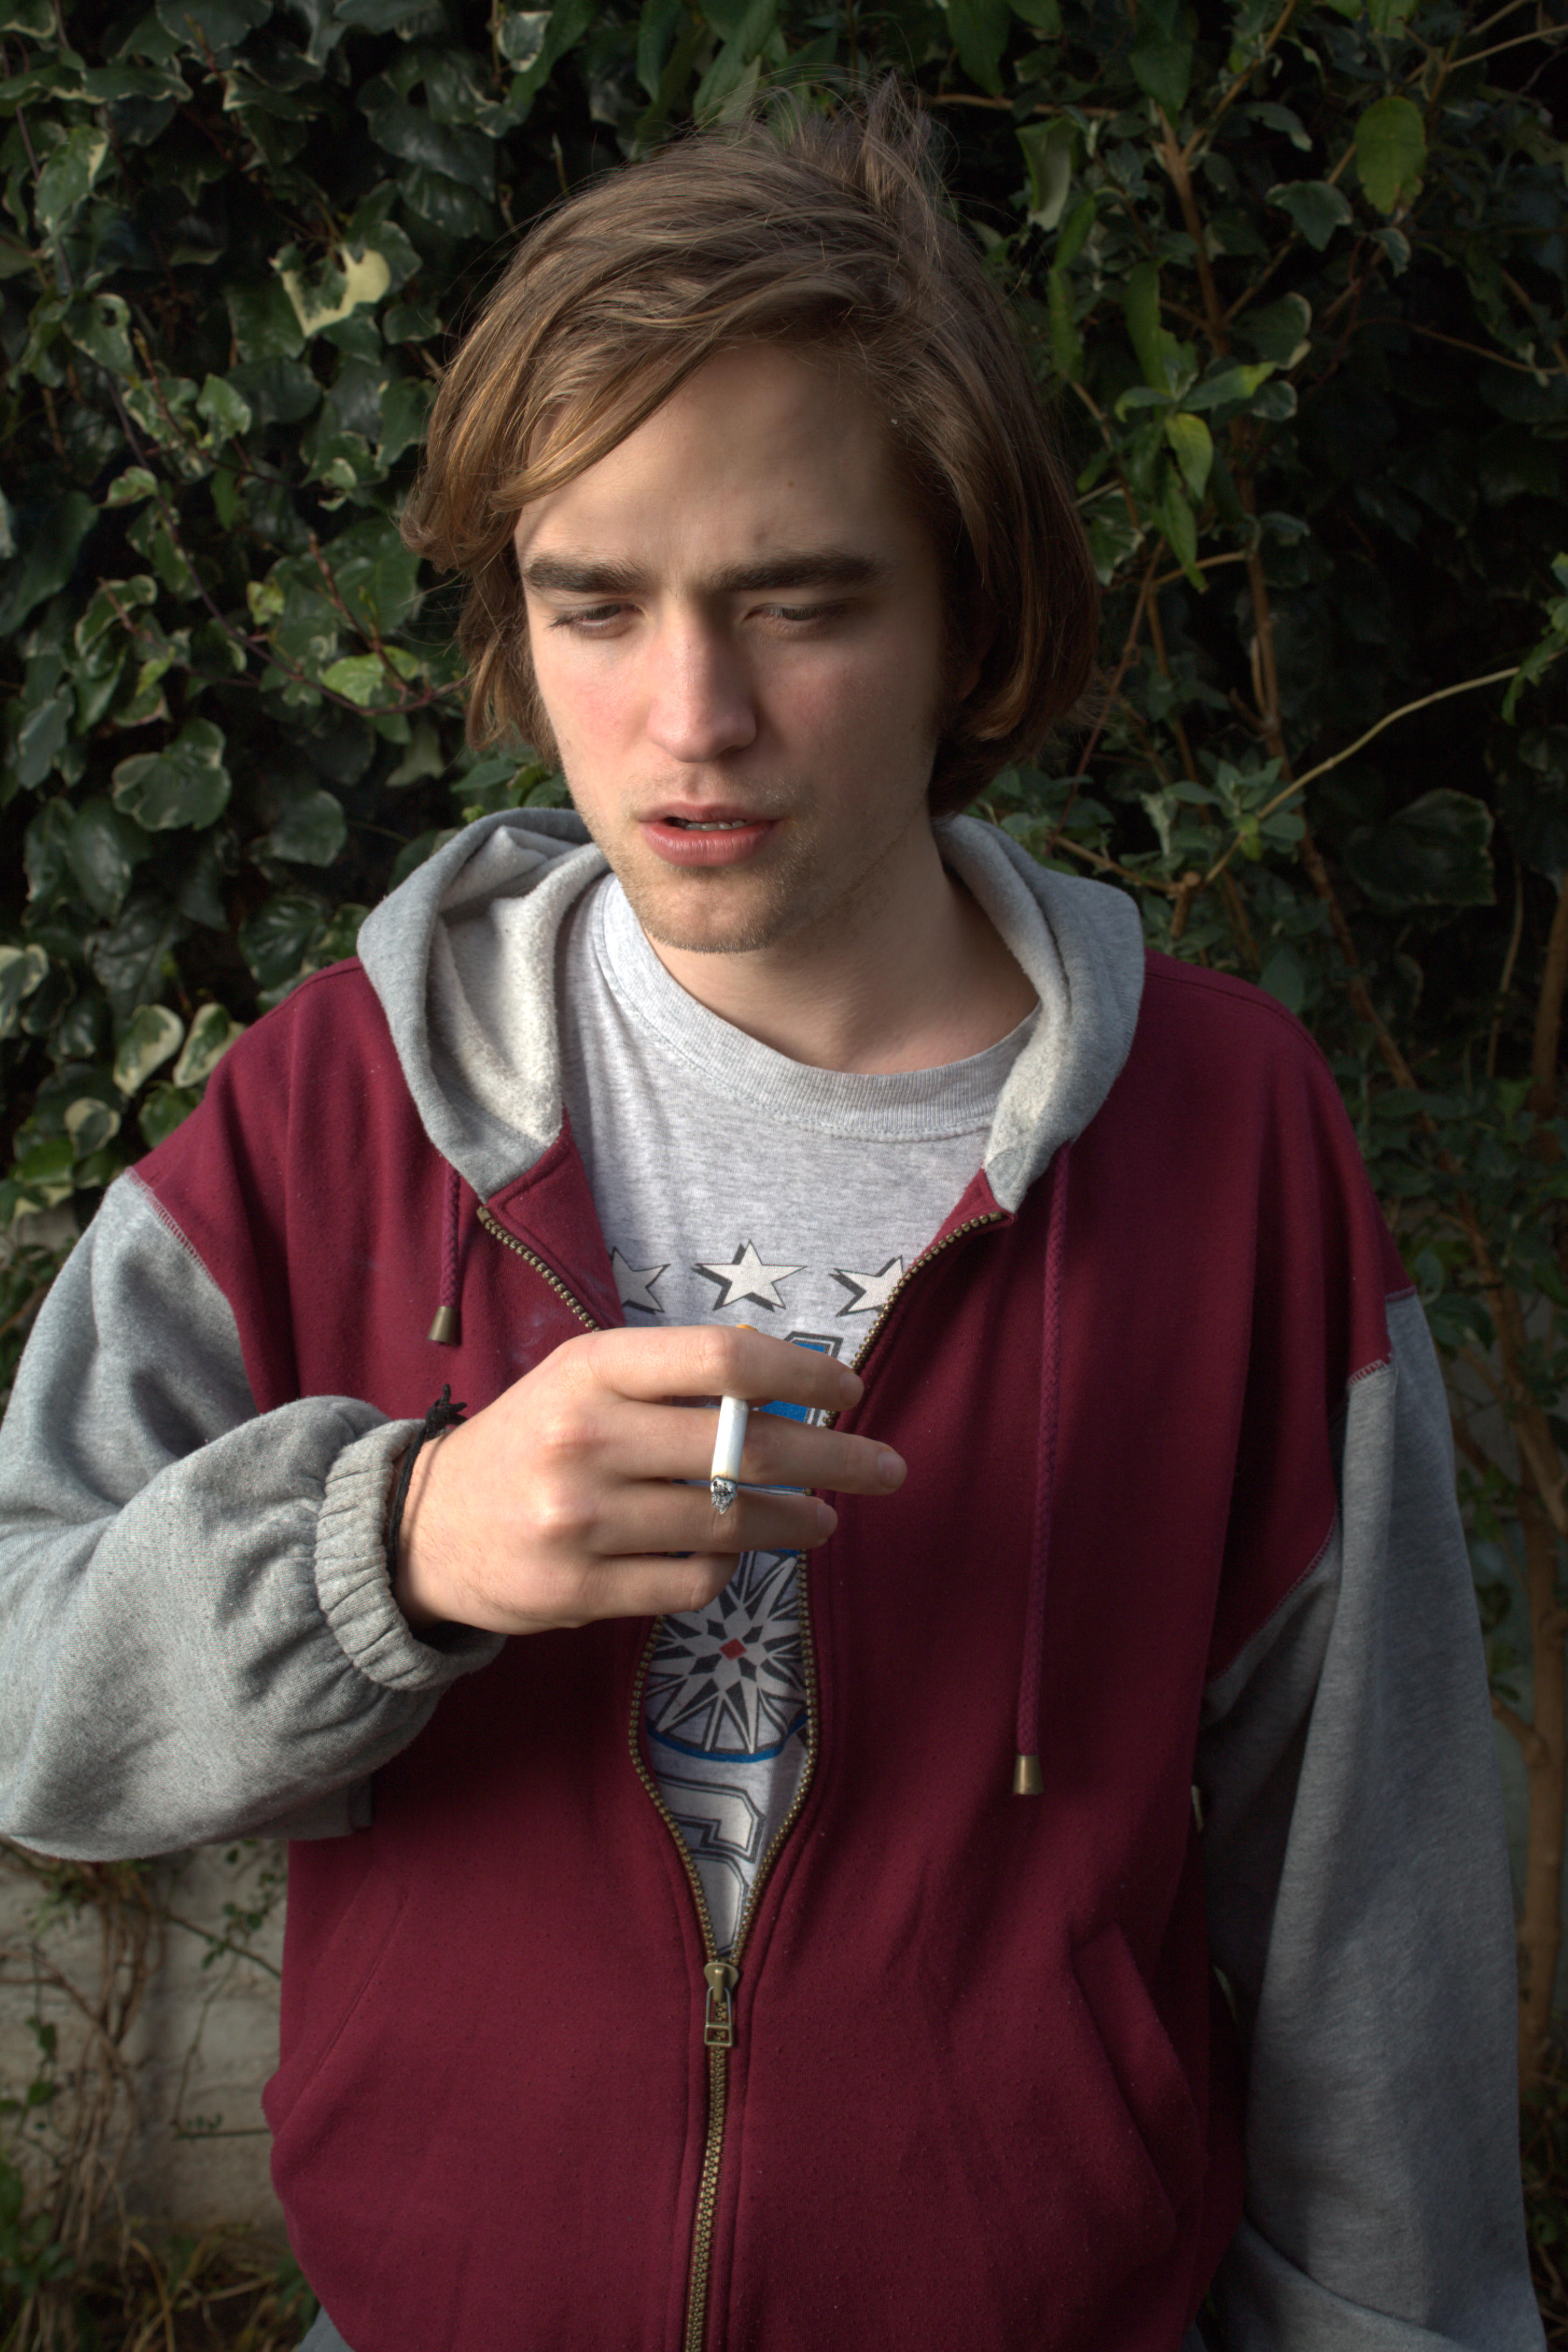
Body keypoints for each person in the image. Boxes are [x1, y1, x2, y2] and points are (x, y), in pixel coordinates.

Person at [0, 79, 1543, 2352]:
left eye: (798, 606)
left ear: (968, 622)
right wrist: (389, 1549)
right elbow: (29, 1700)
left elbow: (1369, 1904)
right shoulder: (331, 1111)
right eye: (593, 608)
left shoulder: (1225, 1144)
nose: (688, 719)